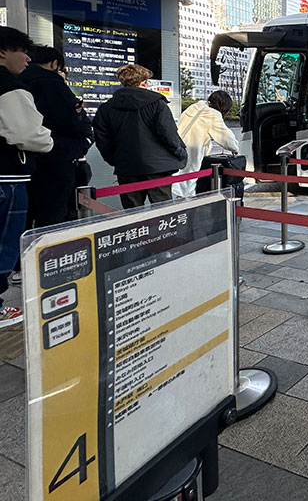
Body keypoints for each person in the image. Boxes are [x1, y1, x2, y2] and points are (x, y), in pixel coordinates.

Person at [0, 26, 53, 328]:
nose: (27, 58)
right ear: (3, 51)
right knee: (4, 245)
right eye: (22, 51)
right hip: (7, 179)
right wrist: (49, 141)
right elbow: (30, 135)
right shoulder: (9, 86)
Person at [93, 64, 187, 208]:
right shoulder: (157, 104)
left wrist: (116, 160)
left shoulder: (106, 108)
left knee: (132, 215)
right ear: (144, 82)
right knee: (162, 213)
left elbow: (103, 140)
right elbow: (169, 135)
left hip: (127, 168)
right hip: (158, 168)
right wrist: (181, 154)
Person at [20, 46, 93, 229]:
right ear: (54, 64)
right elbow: (70, 124)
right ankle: (52, 256)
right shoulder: (52, 84)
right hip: (58, 160)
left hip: (22, 164)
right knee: (54, 218)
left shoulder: (16, 81)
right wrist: (82, 141)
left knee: (24, 219)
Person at [172, 90, 240, 198]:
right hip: (190, 153)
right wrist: (234, 148)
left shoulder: (193, 107)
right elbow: (225, 136)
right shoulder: (212, 114)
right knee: (187, 186)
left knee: (177, 182)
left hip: (176, 150)